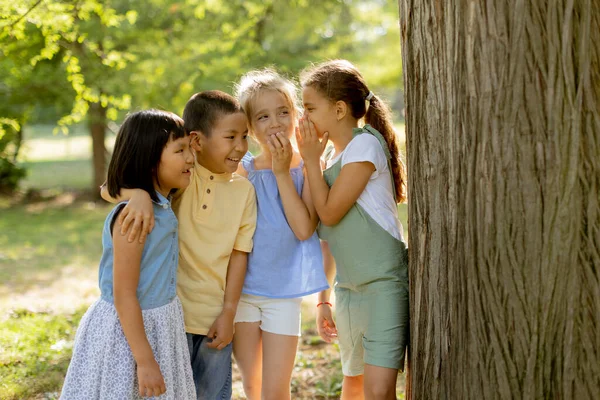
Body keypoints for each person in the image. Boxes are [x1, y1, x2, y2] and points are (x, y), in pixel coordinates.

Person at [101, 91, 257, 400]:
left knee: (212, 394)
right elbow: (109, 188)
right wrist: (138, 195)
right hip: (171, 319)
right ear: (197, 141)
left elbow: (240, 254)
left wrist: (229, 312)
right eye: (231, 136)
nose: (241, 146)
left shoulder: (244, 191)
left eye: (245, 136)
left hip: (214, 318)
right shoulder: (185, 176)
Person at [61, 109, 196, 399]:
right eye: (180, 150)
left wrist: (135, 193)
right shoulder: (134, 218)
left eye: (189, 149)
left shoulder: (158, 203)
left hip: (160, 322)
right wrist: (145, 361)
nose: (190, 158)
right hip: (128, 332)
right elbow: (124, 294)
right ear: (149, 159)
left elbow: (106, 189)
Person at [296, 60, 409, 400]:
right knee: (354, 388)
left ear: (340, 109)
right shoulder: (329, 156)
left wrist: (311, 162)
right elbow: (324, 238)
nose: (304, 118)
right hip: (347, 292)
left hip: (382, 287)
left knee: (377, 393)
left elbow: (329, 213)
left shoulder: (364, 146)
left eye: (310, 108)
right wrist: (322, 301)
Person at [231, 69, 329, 400]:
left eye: (283, 111)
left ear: (295, 114)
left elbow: (304, 229)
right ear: (250, 127)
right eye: (263, 116)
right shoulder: (242, 170)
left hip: (284, 294)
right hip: (242, 291)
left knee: (276, 391)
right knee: (252, 387)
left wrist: (282, 172)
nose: (275, 122)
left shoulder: (308, 167)